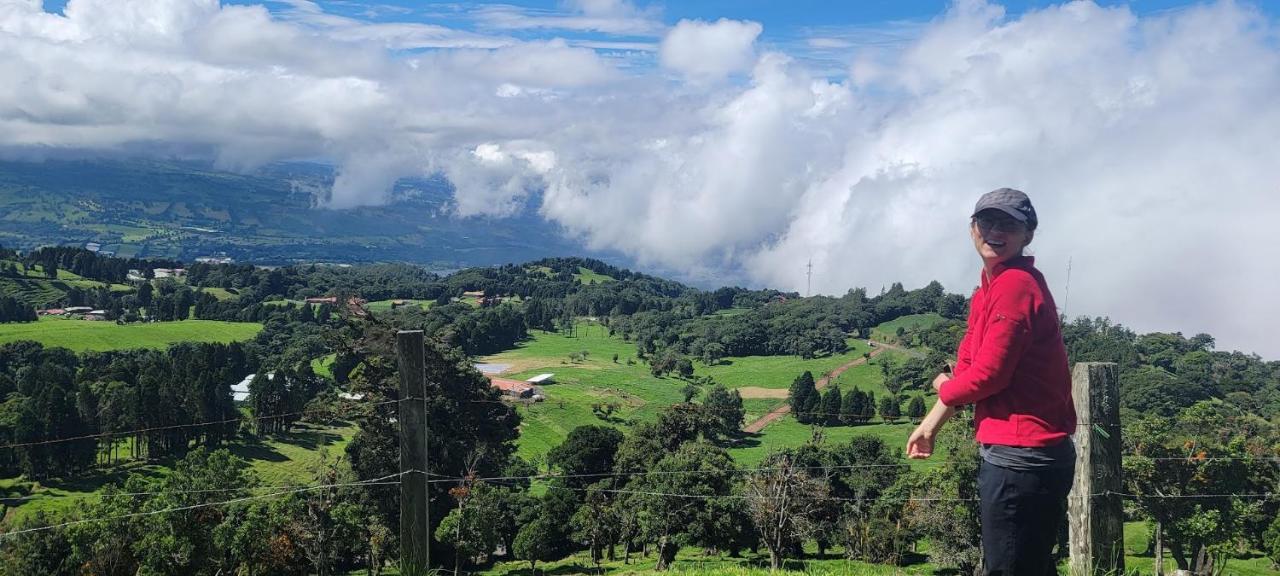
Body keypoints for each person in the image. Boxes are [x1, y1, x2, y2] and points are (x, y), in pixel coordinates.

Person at [906, 188, 1077, 576]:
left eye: (1008, 225)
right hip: (1016, 453)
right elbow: (967, 364)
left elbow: (989, 377)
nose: (994, 231)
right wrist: (930, 426)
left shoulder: (1015, 285)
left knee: (1009, 568)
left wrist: (943, 388)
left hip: (1025, 456)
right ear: (972, 228)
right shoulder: (989, 289)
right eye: (986, 221)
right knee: (1026, 564)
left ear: (1027, 235)